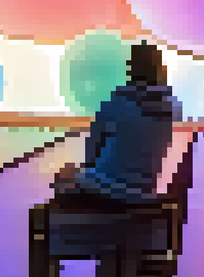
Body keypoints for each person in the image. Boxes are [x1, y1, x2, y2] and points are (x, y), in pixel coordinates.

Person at [53, 42, 182, 207]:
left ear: (130, 69)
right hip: (144, 191)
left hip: (105, 189)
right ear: (161, 69)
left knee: (65, 174)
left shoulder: (114, 103)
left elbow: (91, 155)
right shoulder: (172, 108)